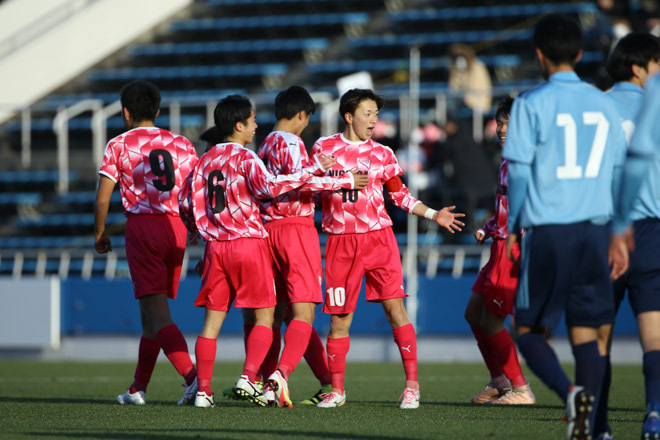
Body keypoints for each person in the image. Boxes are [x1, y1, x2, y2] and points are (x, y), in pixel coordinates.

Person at [178, 94, 368, 408]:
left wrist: (199, 233)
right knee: (298, 313)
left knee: (248, 319)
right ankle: (269, 378)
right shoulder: (280, 146)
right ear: (304, 116)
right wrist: (339, 179)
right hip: (284, 231)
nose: (255, 125)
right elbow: (284, 184)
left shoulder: (239, 151)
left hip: (231, 241)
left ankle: (206, 390)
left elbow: (186, 201)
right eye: (251, 121)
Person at [503, 14, 627, 440]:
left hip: (550, 228)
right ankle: (595, 429)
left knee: (528, 331)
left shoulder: (530, 104)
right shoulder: (603, 103)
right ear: (578, 53)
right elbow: (617, 175)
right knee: (587, 331)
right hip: (596, 229)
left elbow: (517, 175)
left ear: (539, 54)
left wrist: (514, 226)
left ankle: (570, 394)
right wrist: (619, 231)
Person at [310, 88, 465, 409]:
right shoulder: (323, 148)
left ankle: (412, 387)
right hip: (339, 243)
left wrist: (434, 214)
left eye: (376, 114)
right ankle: (337, 391)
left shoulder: (383, 154)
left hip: (378, 240)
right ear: (349, 116)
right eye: (368, 113)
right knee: (339, 320)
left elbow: (399, 195)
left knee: (396, 312)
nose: (374, 120)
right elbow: (310, 185)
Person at [93, 80, 199, 406]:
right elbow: (195, 192)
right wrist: (194, 228)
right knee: (149, 316)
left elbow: (102, 199)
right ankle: (138, 388)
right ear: (157, 110)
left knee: (159, 314)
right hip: (175, 230)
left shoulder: (119, 144)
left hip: (143, 228)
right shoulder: (181, 143)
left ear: (126, 112)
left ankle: (196, 381)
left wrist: (99, 233)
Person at [257, 86, 337, 407]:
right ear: (301, 114)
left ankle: (272, 383)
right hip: (295, 229)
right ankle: (281, 376)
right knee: (304, 311)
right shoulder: (292, 142)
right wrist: (338, 180)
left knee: (279, 315)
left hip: (267, 231)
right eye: (307, 119)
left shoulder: (263, 145)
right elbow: (301, 180)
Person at [603, 32, 660, 440]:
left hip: (603, 229)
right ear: (640, 67)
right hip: (651, 230)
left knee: (597, 335)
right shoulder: (656, 106)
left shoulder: (595, 106)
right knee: (654, 333)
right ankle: (655, 411)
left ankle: (598, 422)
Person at [464, 95, 535, 405]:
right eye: (500, 123)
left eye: (509, 123)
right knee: (473, 314)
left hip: (513, 246)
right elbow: (507, 205)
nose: (502, 129)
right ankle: (500, 379)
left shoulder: (527, 159)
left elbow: (529, 207)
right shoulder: (507, 158)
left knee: (493, 320)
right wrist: (489, 226)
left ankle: (521, 389)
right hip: (499, 243)